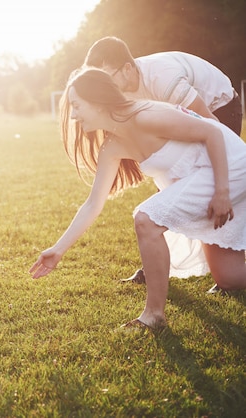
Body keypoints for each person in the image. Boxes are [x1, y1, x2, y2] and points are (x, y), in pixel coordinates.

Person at [29, 68, 246, 330]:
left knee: (146, 219)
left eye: (77, 106)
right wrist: (58, 249)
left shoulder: (146, 116)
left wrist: (221, 190)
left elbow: (212, 133)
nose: (73, 115)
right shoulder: (112, 146)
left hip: (229, 169)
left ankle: (154, 315)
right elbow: (93, 203)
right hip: (202, 179)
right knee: (229, 278)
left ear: (97, 102)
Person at [84, 36, 243, 289]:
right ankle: (158, 266)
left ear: (127, 68)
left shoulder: (161, 79)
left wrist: (223, 186)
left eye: (107, 75)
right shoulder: (122, 92)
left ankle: (228, 263)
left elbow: (212, 126)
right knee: (167, 197)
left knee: (215, 187)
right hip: (190, 121)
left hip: (218, 108)